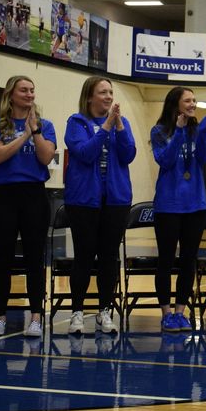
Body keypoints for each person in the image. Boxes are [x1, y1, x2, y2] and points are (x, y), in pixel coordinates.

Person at [0, 76, 56, 337]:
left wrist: (34, 131)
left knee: (34, 258)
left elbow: (45, 157)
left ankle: (36, 317)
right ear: (11, 95)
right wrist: (24, 135)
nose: (29, 94)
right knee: (1, 259)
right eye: (23, 90)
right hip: (3, 197)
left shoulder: (45, 126)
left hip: (34, 195)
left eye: (32, 90)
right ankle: (0, 317)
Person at [63, 76, 136, 335]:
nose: (108, 97)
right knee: (84, 255)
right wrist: (106, 126)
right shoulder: (76, 123)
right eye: (103, 92)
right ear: (89, 97)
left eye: (110, 92)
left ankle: (105, 310)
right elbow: (85, 153)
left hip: (115, 200)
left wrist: (119, 127)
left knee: (109, 256)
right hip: (84, 200)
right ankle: (77, 312)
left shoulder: (122, 124)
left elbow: (128, 154)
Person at [149, 86, 206, 333]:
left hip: (195, 205)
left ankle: (180, 312)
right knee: (166, 260)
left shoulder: (196, 130)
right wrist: (177, 131)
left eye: (194, 100)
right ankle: (166, 313)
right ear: (175, 104)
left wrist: (205, 134)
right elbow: (165, 161)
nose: (193, 104)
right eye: (188, 100)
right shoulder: (159, 131)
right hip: (168, 206)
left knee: (189, 261)